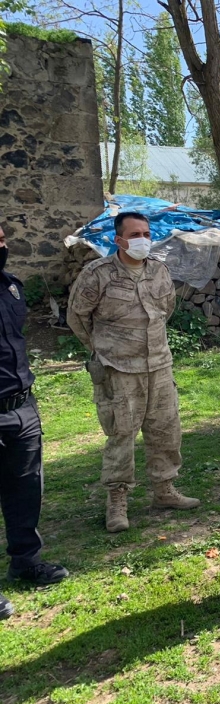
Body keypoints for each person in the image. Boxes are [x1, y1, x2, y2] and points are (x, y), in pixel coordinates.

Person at [66, 212, 199, 534]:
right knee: (121, 435)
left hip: (159, 366)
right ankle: (117, 500)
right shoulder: (97, 274)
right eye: (135, 234)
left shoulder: (159, 271)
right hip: (118, 369)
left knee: (166, 431)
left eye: (146, 234)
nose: (143, 239)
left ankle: (164, 490)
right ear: (119, 240)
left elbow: (165, 310)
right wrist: (104, 348)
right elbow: (77, 317)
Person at [0, 223, 69, 621]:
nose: (2, 246)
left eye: (2, 239)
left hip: (21, 405)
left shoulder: (12, 287)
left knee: (26, 488)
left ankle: (25, 561)